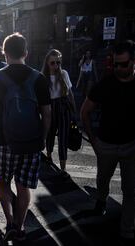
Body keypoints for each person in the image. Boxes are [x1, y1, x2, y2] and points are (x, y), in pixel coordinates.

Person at [0, 33, 51, 242]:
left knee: (2, 180)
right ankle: (20, 227)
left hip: (3, 142)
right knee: (23, 187)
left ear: (5, 52)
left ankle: (10, 220)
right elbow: (47, 113)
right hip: (31, 143)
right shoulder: (39, 78)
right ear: (26, 53)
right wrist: (43, 139)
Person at [81, 40, 135, 246]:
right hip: (106, 145)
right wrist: (94, 142)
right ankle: (101, 199)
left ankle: (127, 233)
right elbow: (84, 112)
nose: (119, 68)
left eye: (123, 64)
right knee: (103, 179)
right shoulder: (106, 84)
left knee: (132, 190)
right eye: (115, 64)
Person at [41, 49, 76, 177]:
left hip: (63, 106)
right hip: (49, 106)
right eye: (53, 63)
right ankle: (49, 155)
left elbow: (70, 93)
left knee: (63, 137)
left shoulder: (64, 74)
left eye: (58, 62)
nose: (56, 66)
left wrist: (73, 109)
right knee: (50, 134)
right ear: (47, 63)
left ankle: (63, 168)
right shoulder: (43, 77)